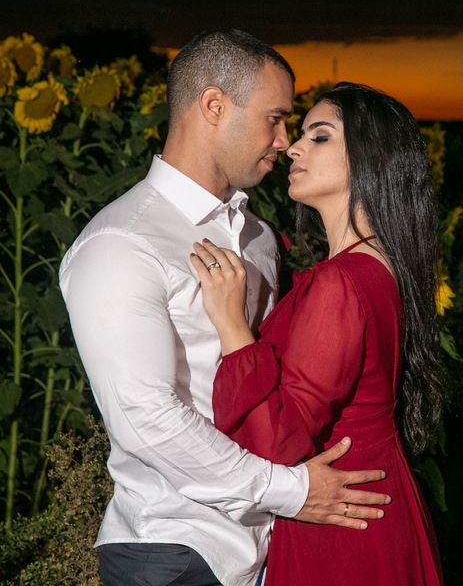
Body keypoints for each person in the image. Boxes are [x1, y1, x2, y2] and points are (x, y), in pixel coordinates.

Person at [60, 30, 391, 586]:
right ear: (214, 105)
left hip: (274, 548)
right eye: (276, 118)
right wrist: (290, 490)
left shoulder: (259, 237)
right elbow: (146, 417)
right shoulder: (120, 244)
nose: (286, 141)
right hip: (176, 551)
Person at [188, 82, 444, 585]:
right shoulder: (379, 265)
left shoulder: (342, 281)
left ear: (370, 160)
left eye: (319, 137)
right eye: (300, 134)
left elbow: (277, 443)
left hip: (341, 521)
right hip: (372, 503)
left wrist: (233, 326)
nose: (294, 148)